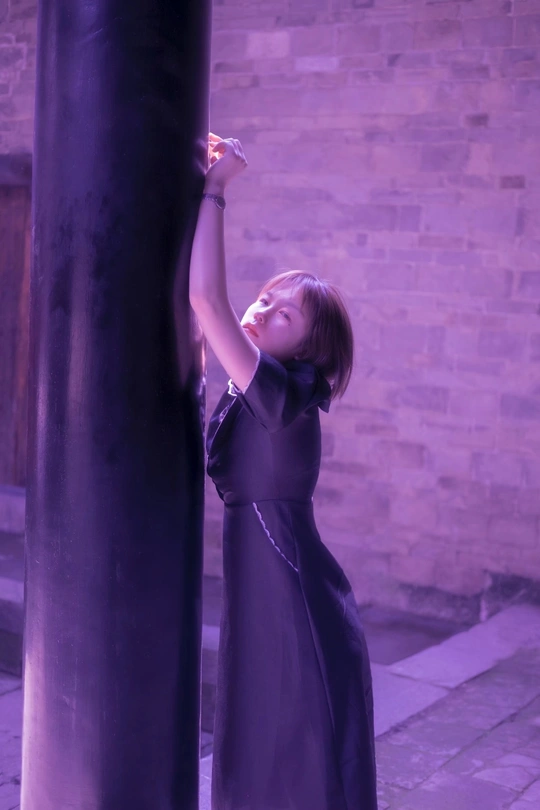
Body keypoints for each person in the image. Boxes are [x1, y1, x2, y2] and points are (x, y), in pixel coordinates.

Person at [189, 133, 378, 810]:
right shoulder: (262, 391)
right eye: (266, 298)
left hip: (289, 601)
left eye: (284, 313)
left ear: (309, 347)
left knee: (289, 763)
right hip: (265, 588)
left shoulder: (283, 394)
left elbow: (207, 301)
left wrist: (216, 188)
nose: (262, 310)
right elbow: (204, 320)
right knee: (260, 753)